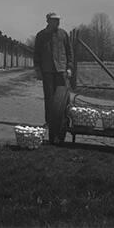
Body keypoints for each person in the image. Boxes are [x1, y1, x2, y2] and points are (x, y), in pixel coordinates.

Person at [33, 12, 73, 140]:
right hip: (47, 70)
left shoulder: (63, 34)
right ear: (48, 21)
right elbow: (36, 54)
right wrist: (38, 69)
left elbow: (69, 52)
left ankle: (63, 122)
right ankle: (50, 122)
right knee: (49, 98)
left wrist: (69, 68)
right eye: (55, 20)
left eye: (58, 20)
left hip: (61, 70)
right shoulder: (41, 35)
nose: (58, 22)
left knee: (63, 98)